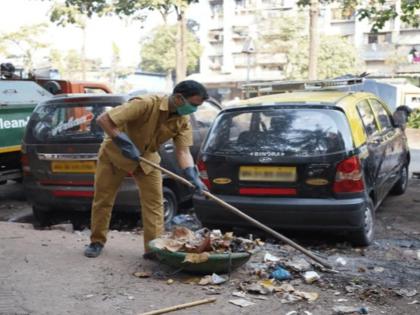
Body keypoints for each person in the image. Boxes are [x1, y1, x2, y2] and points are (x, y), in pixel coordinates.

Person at [84, 80, 209, 259]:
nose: (194, 109)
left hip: (147, 159)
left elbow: (183, 151)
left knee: (155, 204)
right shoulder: (146, 103)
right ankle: (96, 241)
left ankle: (153, 249)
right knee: (103, 199)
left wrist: (192, 174)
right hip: (115, 155)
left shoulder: (183, 120)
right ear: (179, 98)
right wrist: (123, 141)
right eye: (194, 104)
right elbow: (104, 120)